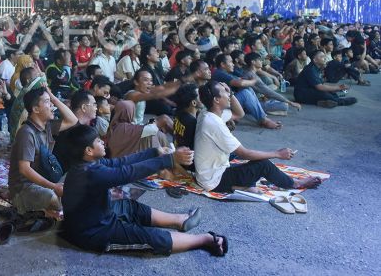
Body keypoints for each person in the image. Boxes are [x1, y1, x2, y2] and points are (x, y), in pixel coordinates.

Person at [60, 124, 227, 257]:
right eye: (97, 141)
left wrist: (154, 152)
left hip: (98, 215)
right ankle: (205, 239)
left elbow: (121, 163)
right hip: (93, 233)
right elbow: (126, 173)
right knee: (149, 238)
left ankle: (180, 220)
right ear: (88, 151)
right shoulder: (88, 174)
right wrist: (168, 159)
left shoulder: (88, 164)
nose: (102, 141)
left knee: (130, 206)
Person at [194, 81, 322, 193]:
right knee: (263, 164)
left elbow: (240, 113)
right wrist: (277, 153)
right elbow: (245, 153)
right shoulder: (214, 123)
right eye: (225, 92)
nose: (228, 94)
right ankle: (294, 183)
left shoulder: (208, 113)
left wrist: (231, 94)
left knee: (248, 161)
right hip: (213, 180)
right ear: (216, 100)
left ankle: (239, 186)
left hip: (209, 174)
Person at [8, 87, 79, 217]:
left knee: (76, 175)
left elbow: (72, 120)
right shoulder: (26, 132)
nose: (52, 105)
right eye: (47, 102)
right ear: (35, 109)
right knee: (53, 198)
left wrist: (52, 96)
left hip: (43, 180)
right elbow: (24, 169)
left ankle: (54, 204)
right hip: (23, 189)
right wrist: (53, 186)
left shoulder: (47, 127)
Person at [211, 54, 281, 129]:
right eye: (230, 62)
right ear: (223, 64)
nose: (233, 64)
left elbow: (242, 81)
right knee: (245, 93)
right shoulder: (219, 73)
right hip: (222, 105)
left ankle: (261, 116)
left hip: (227, 101)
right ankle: (263, 120)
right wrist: (254, 80)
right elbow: (241, 83)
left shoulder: (226, 72)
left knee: (248, 89)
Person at [52, 90, 97, 173]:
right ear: (84, 108)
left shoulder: (80, 128)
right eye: (94, 104)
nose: (96, 108)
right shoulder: (71, 129)